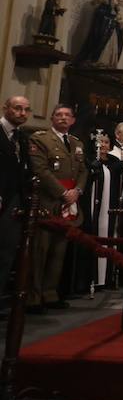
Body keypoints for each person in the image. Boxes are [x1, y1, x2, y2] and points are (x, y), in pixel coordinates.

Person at [27, 104, 88, 312]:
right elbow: (41, 170)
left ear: (73, 120)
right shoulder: (40, 139)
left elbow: (82, 171)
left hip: (69, 204)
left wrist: (77, 191)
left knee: (58, 250)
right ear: (52, 118)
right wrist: (63, 193)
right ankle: (33, 297)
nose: (63, 118)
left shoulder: (76, 142)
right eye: (59, 115)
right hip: (48, 202)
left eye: (67, 115)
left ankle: (50, 293)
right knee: (40, 250)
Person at [80, 132, 123, 289]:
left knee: (109, 239)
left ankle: (108, 278)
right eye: (99, 142)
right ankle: (90, 279)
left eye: (106, 142)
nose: (103, 145)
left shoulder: (114, 162)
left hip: (110, 212)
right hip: (92, 212)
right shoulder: (88, 162)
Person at [0, 96, 32, 311]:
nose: (22, 113)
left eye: (26, 110)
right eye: (17, 108)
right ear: (5, 108)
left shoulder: (21, 137)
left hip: (14, 202)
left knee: (6, 253)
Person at [74, 0, 123, 66]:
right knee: (102, 51)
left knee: (112, 51)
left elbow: (118, 25)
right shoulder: (103, 8)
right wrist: (113, 19)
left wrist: (121, 26)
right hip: (104, 35)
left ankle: (108, 65)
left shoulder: (117, 12)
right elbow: (99, 20)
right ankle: (97, 61)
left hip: (113, 35)